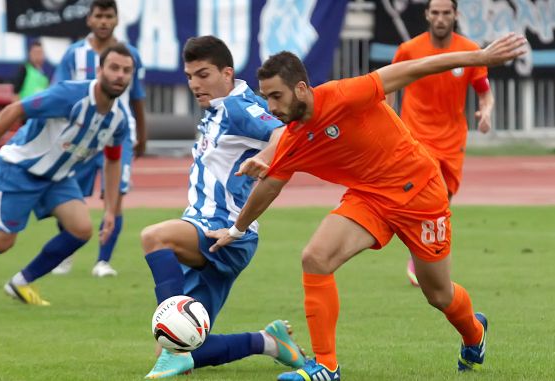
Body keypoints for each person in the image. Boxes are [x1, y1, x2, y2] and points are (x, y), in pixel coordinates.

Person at [207, 33, 527, 379]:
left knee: (438, 294)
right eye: (266, 97)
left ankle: (474, 333)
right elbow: (269, 186)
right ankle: (326, 367)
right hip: (369, 197)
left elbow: (414, 67)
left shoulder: (344, 94)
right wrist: (238, 229)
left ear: (301, 88)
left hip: (419, 193)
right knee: (315, 257)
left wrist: (480, 58)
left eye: (276, 96)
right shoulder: (294, 137)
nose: (271, 107)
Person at [141, 35, 306, 379]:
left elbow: (282, 134)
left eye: (203, 74)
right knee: (184, 348)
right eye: (189, 76)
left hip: (224, 231)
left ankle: (174, 348)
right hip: (206, 232)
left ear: (227, 73)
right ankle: (270, 343)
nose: (194, 84)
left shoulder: (239, 107)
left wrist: (264, 157)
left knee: (154, 238)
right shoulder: (217, 109)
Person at [0, 44, 135, 306]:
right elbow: (13, 111)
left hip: (57, 178)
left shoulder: (118, 120)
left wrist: (111, 211)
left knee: (81, 229)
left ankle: (21, 282)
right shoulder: (69, 95)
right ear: (100, 70)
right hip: (20, 169)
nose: (120, 75)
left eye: (126, 70)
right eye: (114, 68)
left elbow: (113, 161)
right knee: (1, 242)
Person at [385, 0, 495, 287]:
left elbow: (484, 92)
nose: (441, 18)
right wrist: (386, 120)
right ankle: (420, 256)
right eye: (436, 12)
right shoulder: (409, 50)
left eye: (447, 13)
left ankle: (426, 255)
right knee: (426, 195)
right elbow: (390, 86)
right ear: (427, 15)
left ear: (455, 15)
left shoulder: (470, 51)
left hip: (452, 139)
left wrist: (487, 111)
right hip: (417, 135)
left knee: (444, 201)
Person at [51, 0, 146, 277]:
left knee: (114, 197)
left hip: (119, 132)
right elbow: (61, 90)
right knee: (70, 196)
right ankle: (65, 254)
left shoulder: (131, 54)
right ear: (89, 20)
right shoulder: (74, 54)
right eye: (99, 16)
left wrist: (143, 133)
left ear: (117, 20)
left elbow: (137, 96)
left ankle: (103, 261)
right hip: (82, 134)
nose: (104, 21)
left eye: (109, 16)